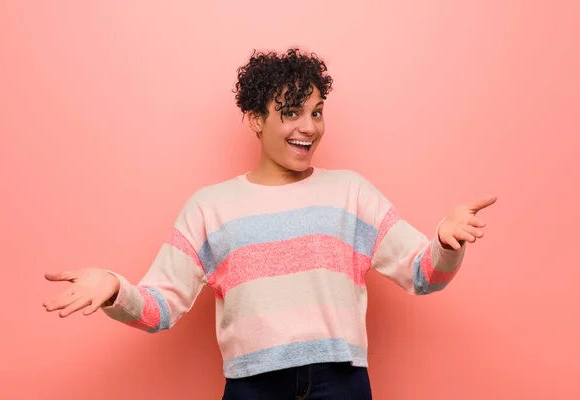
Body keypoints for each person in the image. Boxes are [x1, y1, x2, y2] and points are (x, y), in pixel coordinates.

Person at [43, 48, 496, 399]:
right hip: (251, 387)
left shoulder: (351, 194)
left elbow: (423, 275)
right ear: (256, 119)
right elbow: (161, 307)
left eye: (317, 111)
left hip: (340, 384)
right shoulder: (210, 208)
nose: (310, 127)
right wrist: (113, 287)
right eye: (292, 112)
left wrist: (446, 242)